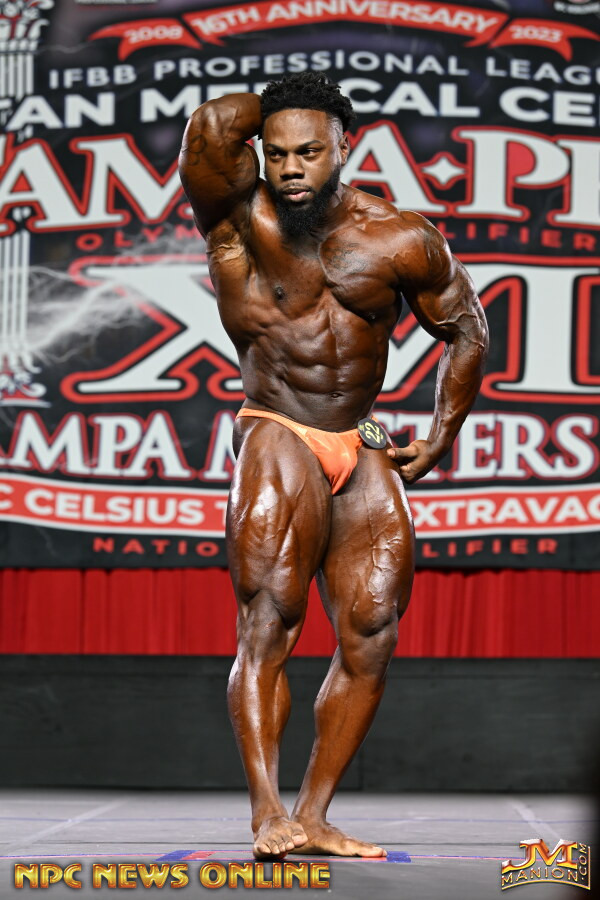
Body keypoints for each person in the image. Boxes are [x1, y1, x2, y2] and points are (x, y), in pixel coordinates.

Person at [179, 72, 488, 860]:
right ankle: (267, 813)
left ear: (344, 146)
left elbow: (467, 328)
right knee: (270, 620)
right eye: (277, 152)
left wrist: (442, 433)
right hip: (276, 425)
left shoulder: (398, 236)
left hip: (360, 435)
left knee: (373, 632)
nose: (290, 168)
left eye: (309, 151)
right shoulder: (236, 216)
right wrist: (289, 97)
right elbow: (212, 126)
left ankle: (313, 816)